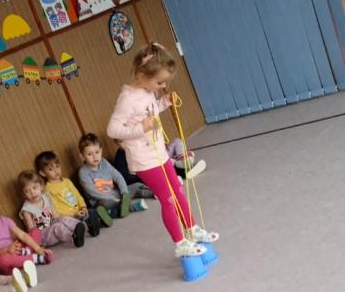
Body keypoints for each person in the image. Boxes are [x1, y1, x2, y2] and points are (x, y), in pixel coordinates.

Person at [106, 43, 219, 258]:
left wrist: (164, 103)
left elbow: (150, 111)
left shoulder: (147, 90)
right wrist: (141, 128)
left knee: (178, 190)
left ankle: (192, 229)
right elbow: (112, 130)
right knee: (168, 198)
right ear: (141, 75)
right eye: (159, 82)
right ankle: (180, 243)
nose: (163, 86)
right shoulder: (127, 99)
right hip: (144, 160)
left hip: (159, 154)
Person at [0, 193, 52, 278]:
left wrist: (38, 248)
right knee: (1, 261)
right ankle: (35, 259)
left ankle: (27, 252)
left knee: (35, 231)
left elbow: (22, 235)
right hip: (6, 258)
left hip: (17, 251)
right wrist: (7, 249)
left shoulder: (4, 220)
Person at [77, 132, 151, 220]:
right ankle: (131, 207)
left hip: (115, 193)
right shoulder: (83, 172)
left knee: (137, 186)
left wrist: (124, 192)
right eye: (89, 154)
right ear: (82, 156)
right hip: (101, 200)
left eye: (97, 152)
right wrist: (113, 198)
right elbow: (92, 191)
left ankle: (153, 193)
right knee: (108, 203)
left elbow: (117, 176)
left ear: (101, 151)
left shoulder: (104, 162)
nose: (94, 156)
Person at [34, 151, 102, 235]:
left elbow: (77, 195)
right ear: (43, 173)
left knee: (90, 212)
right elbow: (55, 208)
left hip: (79, 211)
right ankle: (85, 227)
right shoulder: (47, 189)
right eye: (51, 169)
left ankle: (92, 223)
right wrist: (72, 214)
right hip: (67, 216)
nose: (56, 171)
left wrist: (83, 207)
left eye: (57, 166)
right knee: (68, 223)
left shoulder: (67, 181)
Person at [17, 170, 86, 248]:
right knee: (57, 227)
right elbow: (31, 230)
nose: (32, 193)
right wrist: (37, 246)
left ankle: (78, 225)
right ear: (23, 194)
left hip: (52, 223)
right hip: (43, 235)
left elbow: (56, 215)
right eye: (27, 191)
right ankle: (73, 237)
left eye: (34, 188)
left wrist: (62, 219)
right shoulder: (27, 209)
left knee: (63, 219)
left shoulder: (46, 197)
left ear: (41, 186)